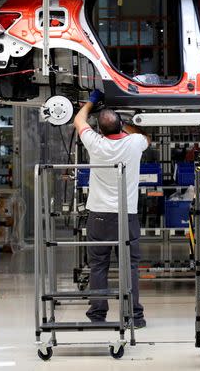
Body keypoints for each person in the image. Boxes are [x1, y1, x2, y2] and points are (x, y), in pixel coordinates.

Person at [73, 89, 149, 329]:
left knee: (98, 266)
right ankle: (134, 316)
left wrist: (91, 101)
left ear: (100, 130)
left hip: (98, 217)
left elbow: (78, 120)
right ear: (120, 126)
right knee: (130, 266)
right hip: (126, 216)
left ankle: (97, 315)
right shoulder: (134, 142)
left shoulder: (94, 143)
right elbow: (146, 138)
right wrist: (126, 123)